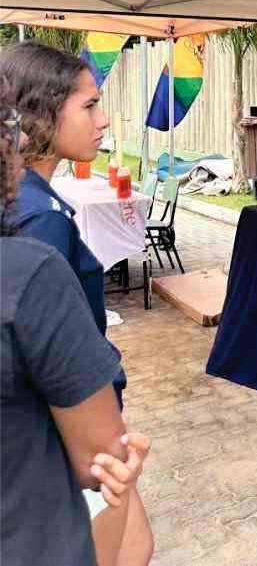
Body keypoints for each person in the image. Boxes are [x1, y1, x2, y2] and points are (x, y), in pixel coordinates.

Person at [0, 42, 155, 566]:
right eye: (88, 106)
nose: (104, 120)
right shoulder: (35, 220)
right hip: (69, 429)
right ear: (40, 114)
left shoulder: (33, 200)